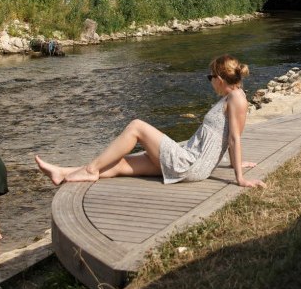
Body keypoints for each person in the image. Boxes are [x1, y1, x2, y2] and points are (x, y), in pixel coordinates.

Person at [35, 54, 266, 189]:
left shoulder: (236, 98)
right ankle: (63, 173)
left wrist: (240, 177)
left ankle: (89, 169)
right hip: (189, 160)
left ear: (220, 78)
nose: (209, 82)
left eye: (210, 78)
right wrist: (235, 162)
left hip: (189, 164)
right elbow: (225, 137)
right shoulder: (234, 96)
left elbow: (234, 138)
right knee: (120, 164)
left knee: (136, 126)